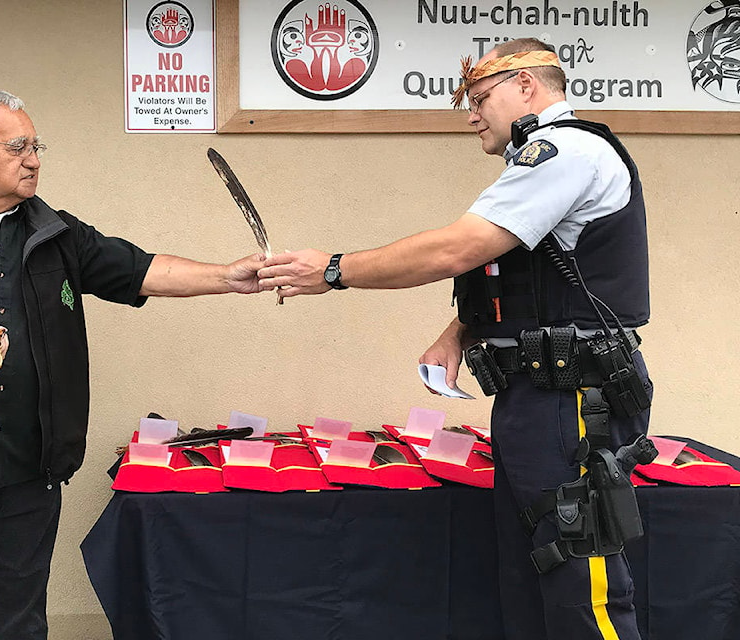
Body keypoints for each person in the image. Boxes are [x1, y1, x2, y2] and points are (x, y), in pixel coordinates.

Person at [258, 38, 651, 640]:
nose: (471, 114)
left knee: (581, 576)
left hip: (573, 402)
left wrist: (333, 270)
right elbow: (524, 273)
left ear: (526, 85)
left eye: (479, 96)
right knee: (532, 577)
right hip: (539, 398)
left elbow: (457, 248)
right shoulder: (535, 162)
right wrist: (458, 332)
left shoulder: (565, 152)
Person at [0, 88, 264, 640]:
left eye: (36, 146)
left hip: (28, 471)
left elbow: (144, 271)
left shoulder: (58, 235)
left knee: (21, 621)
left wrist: (227, 277)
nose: (34, 159)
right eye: (18, 147)